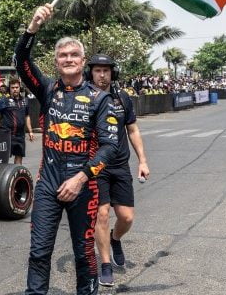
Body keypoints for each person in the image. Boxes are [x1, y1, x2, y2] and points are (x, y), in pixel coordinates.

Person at [17, 4, 119, 295]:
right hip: (48, 185)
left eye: (74, 55)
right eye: (63, 55)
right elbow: (21, 62)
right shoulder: (48, 90)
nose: (68, 59)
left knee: (84, 255)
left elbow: (110, 148)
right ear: (56, 61)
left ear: (83, 60)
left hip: (83, 187)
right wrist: (33, 26)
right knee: (38, 252)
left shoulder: (100, 99)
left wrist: (81, 178)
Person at [86, 55, 150, 287]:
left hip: (120, 166)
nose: (102, 75)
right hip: (95, 167)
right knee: (101, 215)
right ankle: (104, 264)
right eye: (97, 70)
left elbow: (132, 130)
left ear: (113, 73)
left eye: (106, 70)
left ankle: (115, 239)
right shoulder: (84, 98)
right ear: (90, 73)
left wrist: (142, 160)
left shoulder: (122, 98)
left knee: (126, 217)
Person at [0, 78, 34, 165]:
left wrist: (30, 131)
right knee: (3, 158)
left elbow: (27, 116)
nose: (15, 89)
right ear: (9, 88)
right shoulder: (3, 100)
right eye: (12, 87)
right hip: (6, 134)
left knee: (19, 156)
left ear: (20, 88)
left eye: (17, 87)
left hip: (20, 135)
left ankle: (16, 177)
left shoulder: (25, 100)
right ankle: (2, 177)